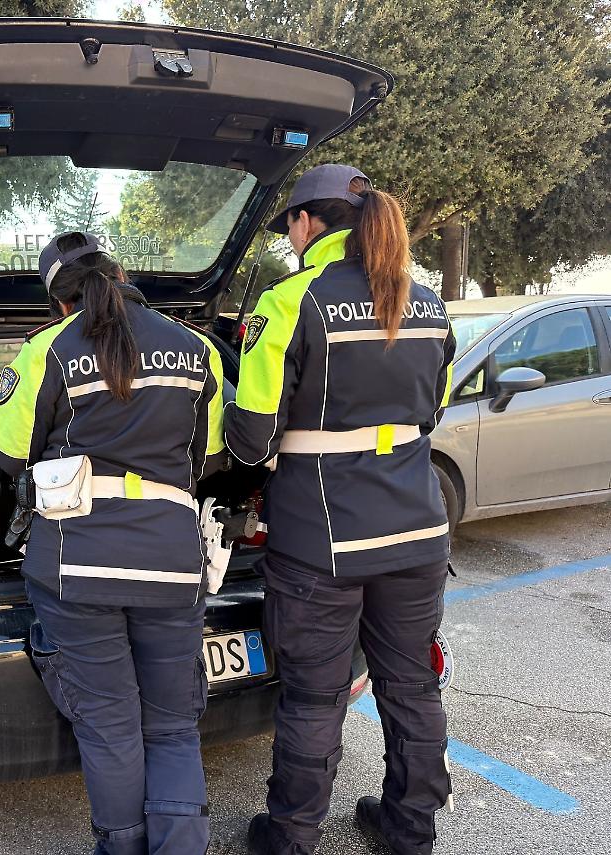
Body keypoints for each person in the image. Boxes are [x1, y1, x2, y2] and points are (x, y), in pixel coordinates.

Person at [224, 164, 456, 855]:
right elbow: (431, 412)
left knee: (315, 700)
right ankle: (411, 829)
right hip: (419, 529)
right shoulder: (428, 303)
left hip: (323, 541)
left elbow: (252, 437)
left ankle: (292, 837)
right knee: (412, 687)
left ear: (307, 222)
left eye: (289, 225)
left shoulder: (294, 300)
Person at [0, 231, 227, 855]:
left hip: (77, 564)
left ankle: (121, 847)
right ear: (119, 274)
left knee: (111, 725)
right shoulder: (196, 348)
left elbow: (8, 455)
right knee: (173, 726)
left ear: (57, 301)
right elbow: (210, 455)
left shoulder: (49, 349)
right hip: (171, 562)